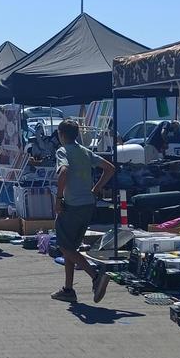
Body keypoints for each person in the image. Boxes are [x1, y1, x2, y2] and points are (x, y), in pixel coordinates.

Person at [51, 119, 115, 305]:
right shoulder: (85, 151)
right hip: (88, 204)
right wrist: (96, 189)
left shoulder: (63, 151)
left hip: (72, 205)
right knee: (71, 248)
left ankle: (95, 276)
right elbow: (110, 169)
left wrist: (58, 199)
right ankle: (68, 289)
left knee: (64, 246)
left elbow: (63, 172)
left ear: (61, 135)